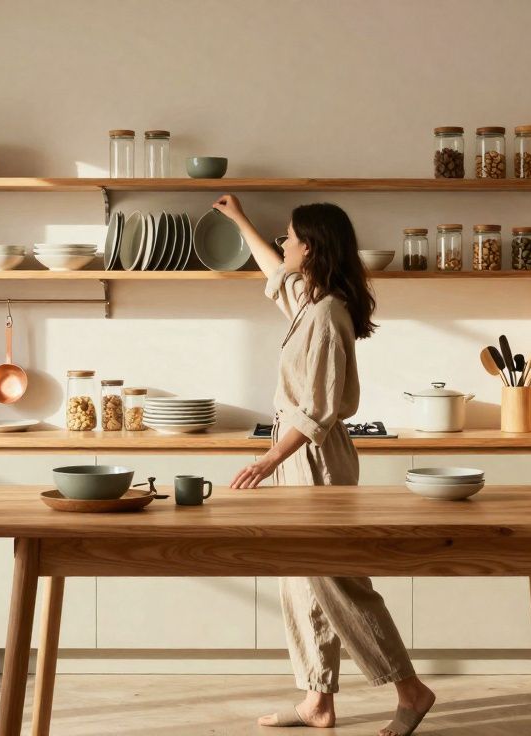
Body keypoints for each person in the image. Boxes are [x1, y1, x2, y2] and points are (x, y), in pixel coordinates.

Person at [213, 195, 436, 736]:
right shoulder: (309, 303)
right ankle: (317, 699)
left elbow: (318, 410)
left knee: (338, 582)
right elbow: (274, 272)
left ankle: (410, 689)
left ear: (310, 248)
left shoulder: (329, 314)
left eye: (289, 236)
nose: (283, 244)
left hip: (316, 462)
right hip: (298, 458)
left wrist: (267, 459)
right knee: (302, 581)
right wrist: (239, 219)